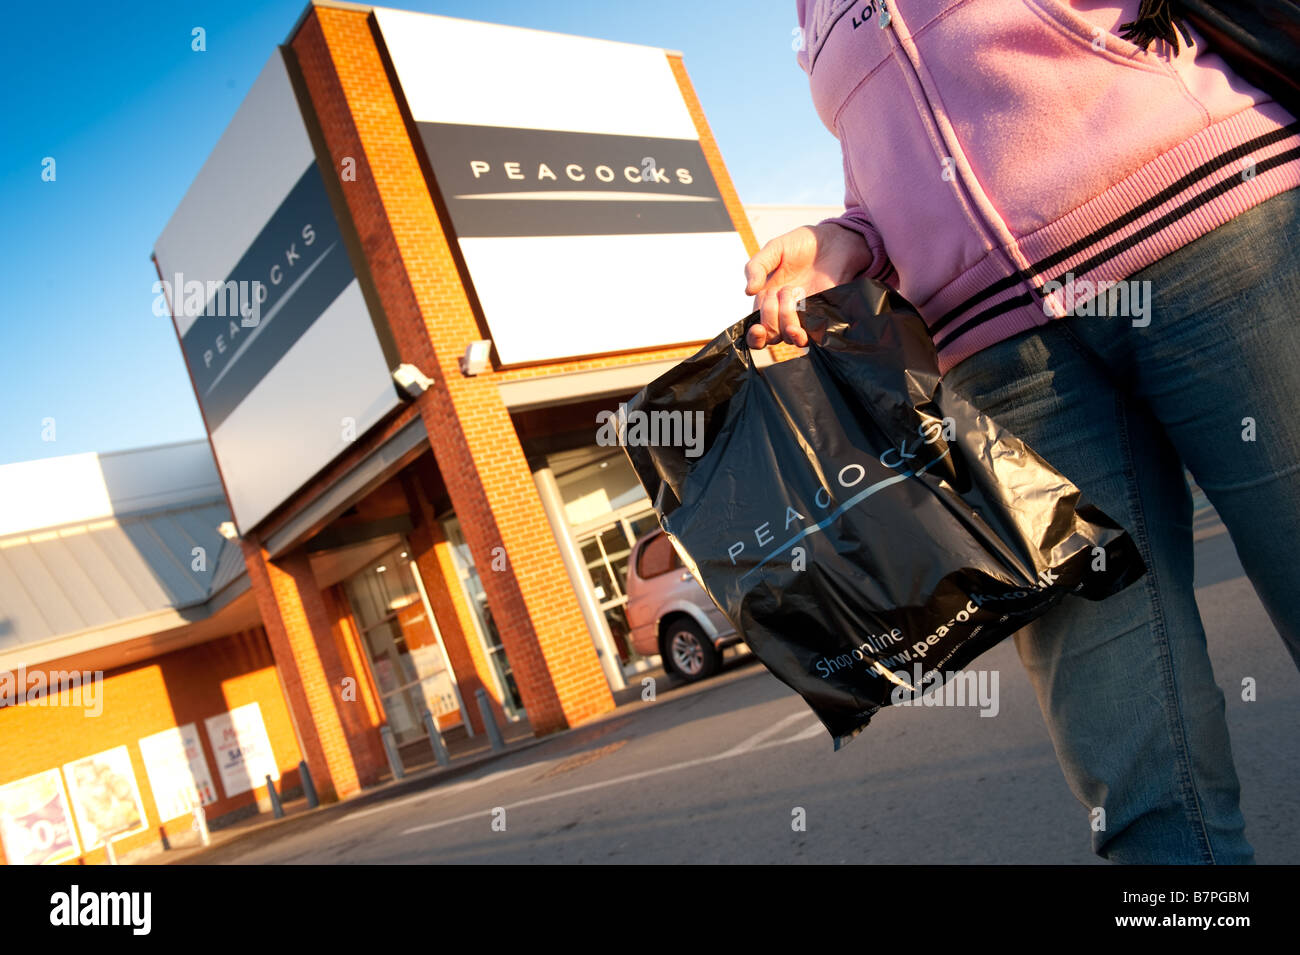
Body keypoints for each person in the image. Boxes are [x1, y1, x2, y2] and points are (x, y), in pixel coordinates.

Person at [745, 0, 1300, 864]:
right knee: (1131, 762)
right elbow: (901, 146)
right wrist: (849, 238)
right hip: (1003, 360)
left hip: (1211, 231)